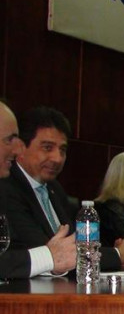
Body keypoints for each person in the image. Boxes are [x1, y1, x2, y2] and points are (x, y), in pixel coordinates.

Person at [0, 106, 124, 273]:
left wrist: (111, 252)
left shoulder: (54, 189)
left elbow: (76, 244)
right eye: (47, 148)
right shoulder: (7, 187)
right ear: (22, 148)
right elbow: (48, 251)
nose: (57, 158)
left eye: (62, 150)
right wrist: (118, 254)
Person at [0, 101, 75, 278]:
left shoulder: (55, 189)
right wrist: (49, 257)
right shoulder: (7, 189)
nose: (18, 148)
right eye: (10, 139)